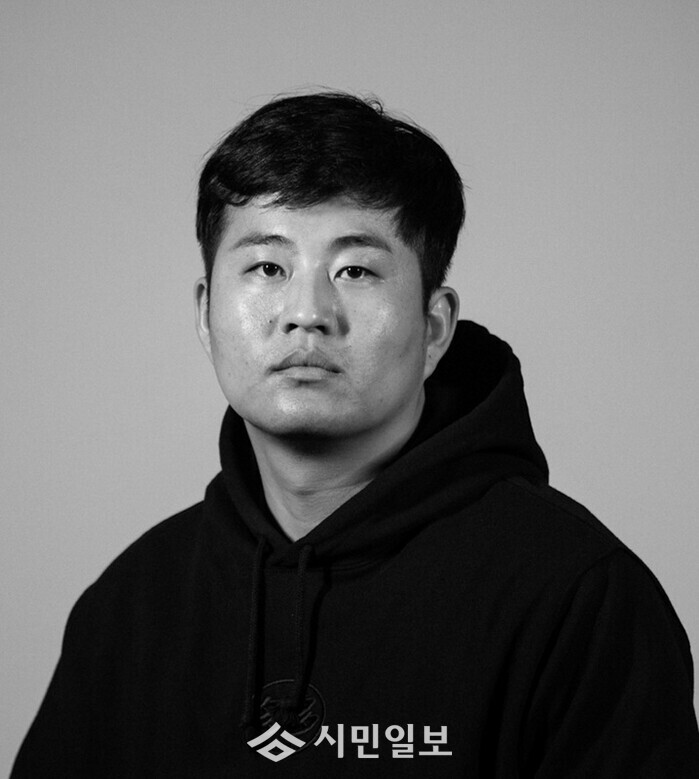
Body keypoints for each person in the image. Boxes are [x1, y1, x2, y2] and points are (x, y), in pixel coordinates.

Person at [12, 91, 699, 777]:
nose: (306, 313)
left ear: (434, 327)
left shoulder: (575, 595)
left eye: (355, 271)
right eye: (267, 267)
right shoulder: (134, 604)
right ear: (205, 312)